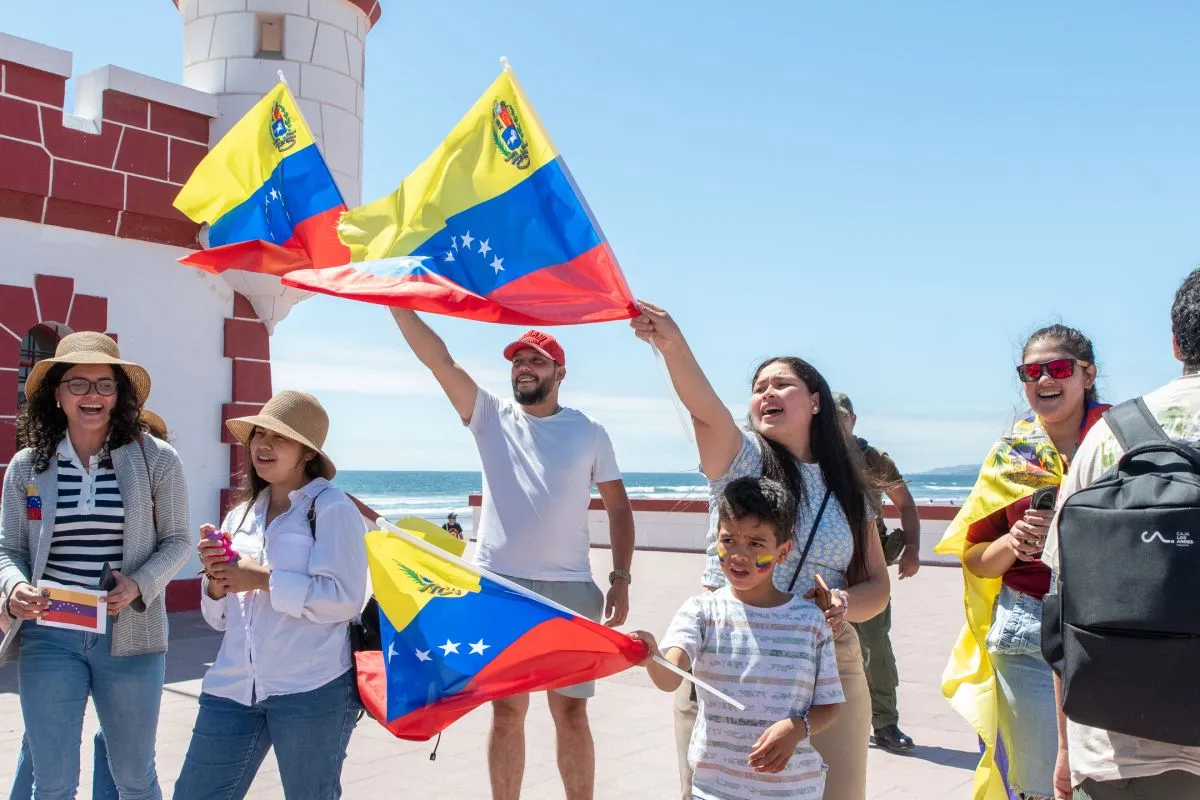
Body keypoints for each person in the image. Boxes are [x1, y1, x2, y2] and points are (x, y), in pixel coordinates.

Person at [630, 301, 890, 800]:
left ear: (816, 401)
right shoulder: (742, 458)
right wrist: (672, 346)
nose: (766, 392)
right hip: (729, 650)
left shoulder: (848, 487)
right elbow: (703, 411)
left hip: (824, 659)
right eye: (757, 388)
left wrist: (841, 606)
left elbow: (877, 585)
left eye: (781, 384)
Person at [391, 309, 635, 800]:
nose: (524, 367)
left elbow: (618, 505)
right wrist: (395, 302)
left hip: (570, 591)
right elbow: (439, 361)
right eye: (518, 360)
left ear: (559, 373)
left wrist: (621, 577)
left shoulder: (589, 431)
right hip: (500, 590)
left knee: (571, 713)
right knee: (507, 711)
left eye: (537, 360)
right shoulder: (490, 416)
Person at [0, 332, 191, 800]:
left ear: (119, 396)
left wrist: (139, 583)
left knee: (133, 776)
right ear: (58, 394)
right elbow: (7, 548)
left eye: (105, 385)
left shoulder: (157, 459)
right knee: (53, 783)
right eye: (79, 383)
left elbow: (179, 541)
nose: (93, 395)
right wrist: (13, 587)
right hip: (49, 635)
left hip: (131, 639)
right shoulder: (27, 466)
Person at [1042, 270, 1200, 800]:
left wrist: (1064, 748)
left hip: (1113, 747)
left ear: (1176, 343)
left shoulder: (1111, 435)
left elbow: (1062, 603)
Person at [936, 324, 1107, 800]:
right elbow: (976, 561)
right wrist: (1013, 543)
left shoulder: (1122, 441)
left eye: (1057, 368)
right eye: (1032, 371)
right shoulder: (1012, 456)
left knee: (1112, 782)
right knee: (1040, 785)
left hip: (1114, 627)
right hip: (1028, 632)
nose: (1044, 379)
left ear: (1087, 374)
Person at [173, 390, 369, 800]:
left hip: (312, 689)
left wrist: (261, 579)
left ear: (307, 453)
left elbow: (345, 600)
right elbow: (221, 619)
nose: (263, 444)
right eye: (259, 434)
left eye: (279, 437)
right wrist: (215, 579)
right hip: (231, 687)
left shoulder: (333, 508)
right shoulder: (240, 513)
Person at [633, 475, 845, 800]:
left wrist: (797, 728)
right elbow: (668, 676)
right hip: (713, 790)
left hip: (793, 791)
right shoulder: (701, 612)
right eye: (729, 540)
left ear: (783, 552)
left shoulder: (810, 622)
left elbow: (829, 706)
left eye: (756, 543)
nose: (739, 554)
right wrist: (651, 657)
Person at [833, 392, 921, 753]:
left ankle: (885, 724)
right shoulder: (807, 454)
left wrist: (913, 548)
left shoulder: (873, 460)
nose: (835, 424)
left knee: (875, 647)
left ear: (853, 419)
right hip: (824, 565)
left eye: (841, 417)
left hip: (866, 567)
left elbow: (906, 504)